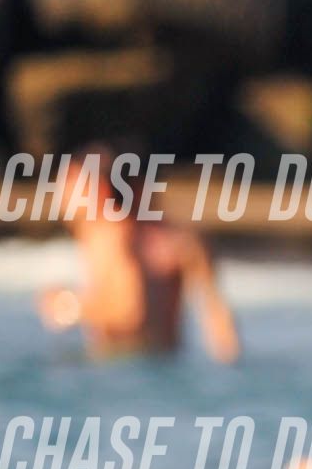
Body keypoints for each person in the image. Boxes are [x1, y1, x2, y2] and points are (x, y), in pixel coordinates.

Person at [36, 148, 240, 361]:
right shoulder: (180, 239)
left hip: (122, 362)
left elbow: (130, 312)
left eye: (69, 184)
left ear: (100, 189)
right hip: (167, 363)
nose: (60, 195)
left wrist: (69, 305)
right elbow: (224, 335)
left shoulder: (109, 233)